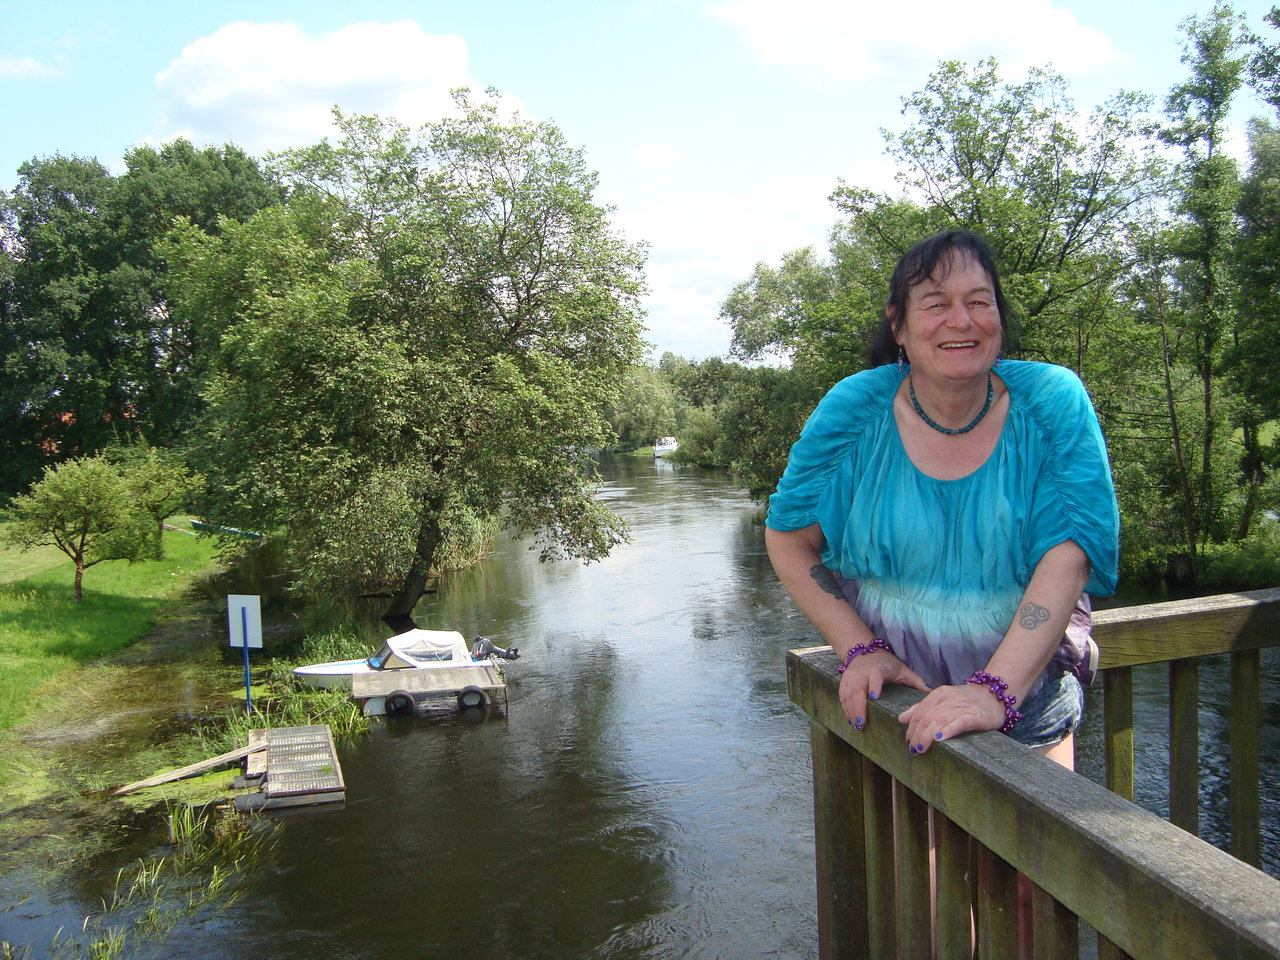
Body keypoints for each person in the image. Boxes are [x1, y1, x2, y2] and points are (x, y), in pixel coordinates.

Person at [764, 229, 1118, 766]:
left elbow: (1070, 554)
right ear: (899, 324)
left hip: (1025, 708)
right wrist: (860, 648)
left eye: (979, 301)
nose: (962, 320)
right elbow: (790, 538)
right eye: (936, 304)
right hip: (897, 706)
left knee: (1035, 825)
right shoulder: (855, 411)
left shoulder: (1052, 404)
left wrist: (995, 691)